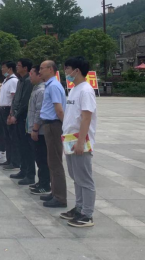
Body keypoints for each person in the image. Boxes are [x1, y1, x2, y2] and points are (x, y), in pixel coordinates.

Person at [60, 56, 97, 228]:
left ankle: (87, 215)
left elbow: (86, 117)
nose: (65, 72)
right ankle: (79, 208)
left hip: (80, 140)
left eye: (67, 68)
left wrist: (81, 141)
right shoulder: (74, 89)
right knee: (76, 177)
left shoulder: (86, 90)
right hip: (69, 139)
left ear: (77, 70)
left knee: (85, 178)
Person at [39, 60, 67, 208]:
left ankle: (60, 197)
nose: (40, 71)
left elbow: (59, 110)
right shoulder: (50, 85)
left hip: (54, 125)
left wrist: (65, 126)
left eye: (42, 68)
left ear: (50, 69)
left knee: (55, 162)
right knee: (51, 161)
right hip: (49, 125)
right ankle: (55, 192)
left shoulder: (54, 86)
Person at [8, 59, 34, 184]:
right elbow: (15, 100)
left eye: (19, 66)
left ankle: (30, 174)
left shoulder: (29, 81)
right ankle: (23, 171)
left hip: (23, 118)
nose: (17, 67)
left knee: (26, 147)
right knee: (21, 146)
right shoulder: (20, 80)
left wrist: (16, 115)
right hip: (17, 116)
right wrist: (11, 113)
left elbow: (25, 102)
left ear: (25, 68)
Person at [27, 65, 50, 195]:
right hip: (35, 129)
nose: (30, 76)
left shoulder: (41, 91)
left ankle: (45, 185)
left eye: (32, 73)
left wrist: (35, 129)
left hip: (40, 132)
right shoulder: (36, 89)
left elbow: (39, 112)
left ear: (39, 75)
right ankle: (41, 181)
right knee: (39, 158)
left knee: (42, 159)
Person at [0, 61, 19, 170]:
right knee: (6, 136)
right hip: (3, 109)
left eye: (4, 68)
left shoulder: (14, 81)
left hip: (8, 110)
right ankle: (9, 159)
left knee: (12, 137)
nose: (2, 70)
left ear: (10, 69)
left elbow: (14, 99)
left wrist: (11, 113)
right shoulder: (6, 80)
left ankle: (14, 161)